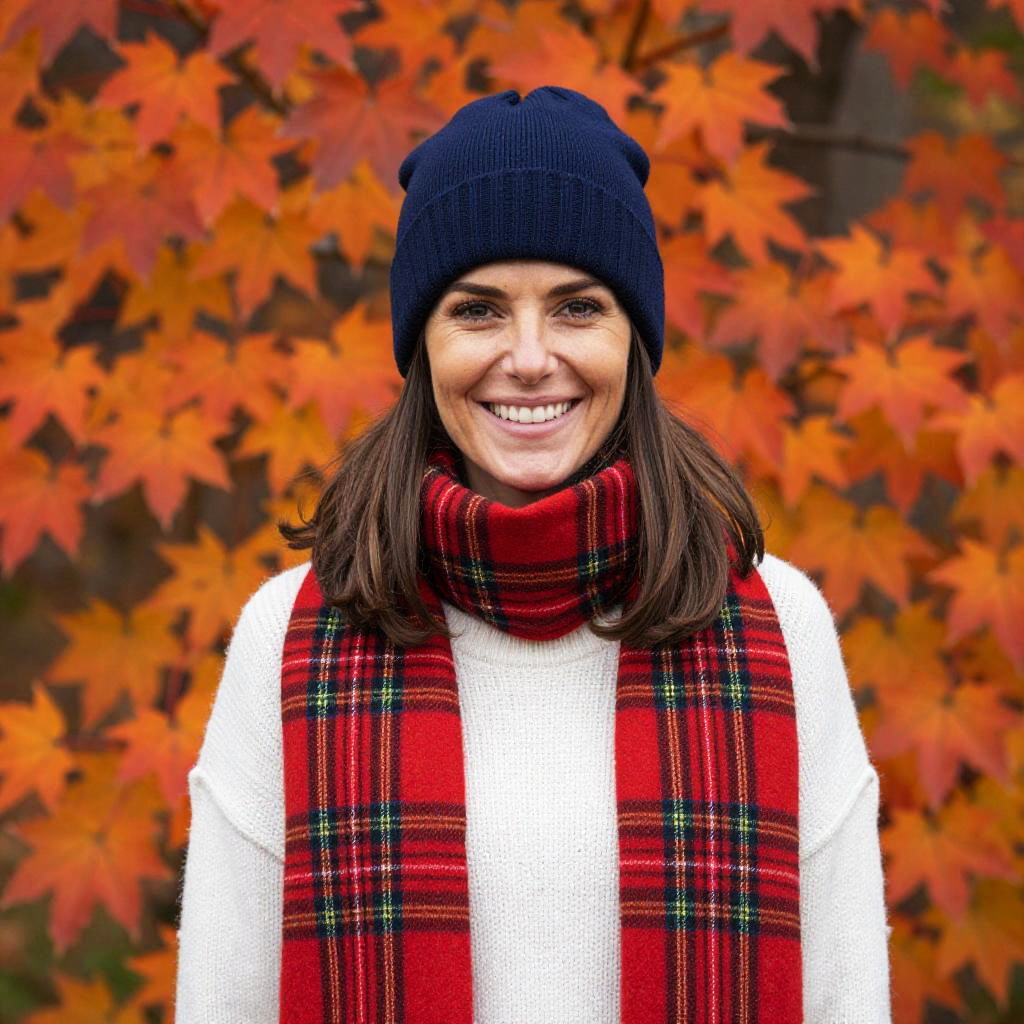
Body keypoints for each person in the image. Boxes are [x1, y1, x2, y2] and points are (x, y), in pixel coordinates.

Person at [174, 86, 891, 1023]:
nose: (527, 357)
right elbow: (223, 1005)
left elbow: (845, 1001)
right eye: (477, 310)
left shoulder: (779, 627)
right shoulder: (290, 636)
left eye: (576, 307)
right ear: (421, 344)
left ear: (634, 340)